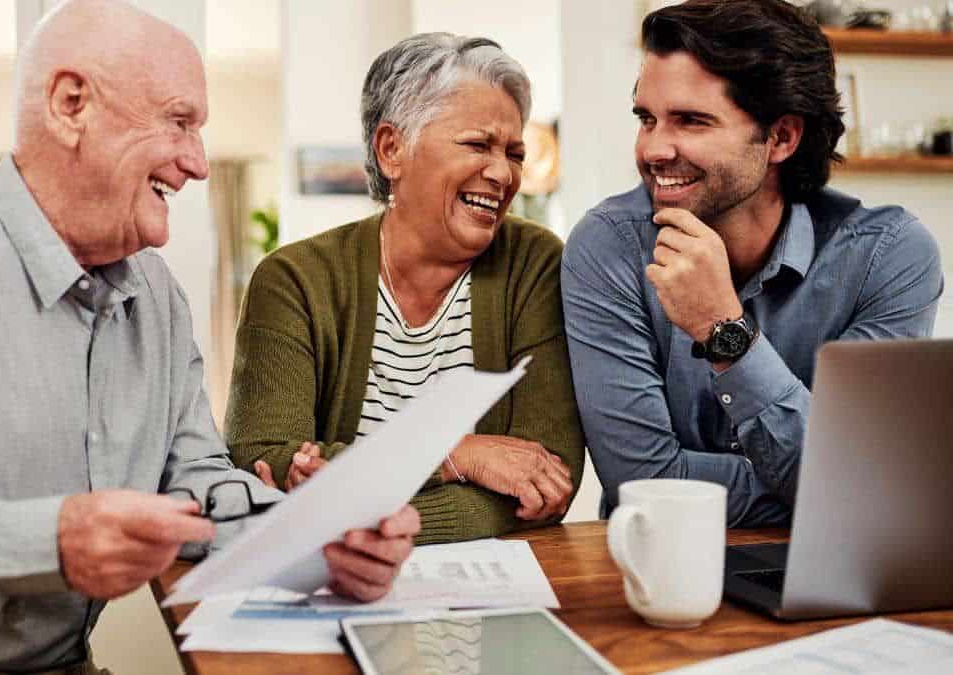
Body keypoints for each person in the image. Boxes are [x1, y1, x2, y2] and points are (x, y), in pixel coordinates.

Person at [0, 1, 419, 671]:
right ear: (71, 104)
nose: (198, 163)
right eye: (179, 121)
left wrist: (317, 538)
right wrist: (49, 539)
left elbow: (198, 480)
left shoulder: (155, 295)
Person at [562, 0, 944, 527]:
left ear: (782, 137)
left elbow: (861, 480)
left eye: (690, 121)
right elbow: (641, 481)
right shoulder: (607, 247)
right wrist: (813, 489)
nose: (652, 148)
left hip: (827, 570)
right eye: (647, 119)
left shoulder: (889, 255)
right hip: (656, 567)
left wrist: (723, 330)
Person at [225, 33, 585, 545]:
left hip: (488, 595)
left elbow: (546, 483)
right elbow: (263, 462)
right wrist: (458, 455)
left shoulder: (534, 264)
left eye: (515, 152)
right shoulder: (293, 281)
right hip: (327, 595)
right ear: (392, 149)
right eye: (478, 144)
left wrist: (343, 509)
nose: (503, 173)